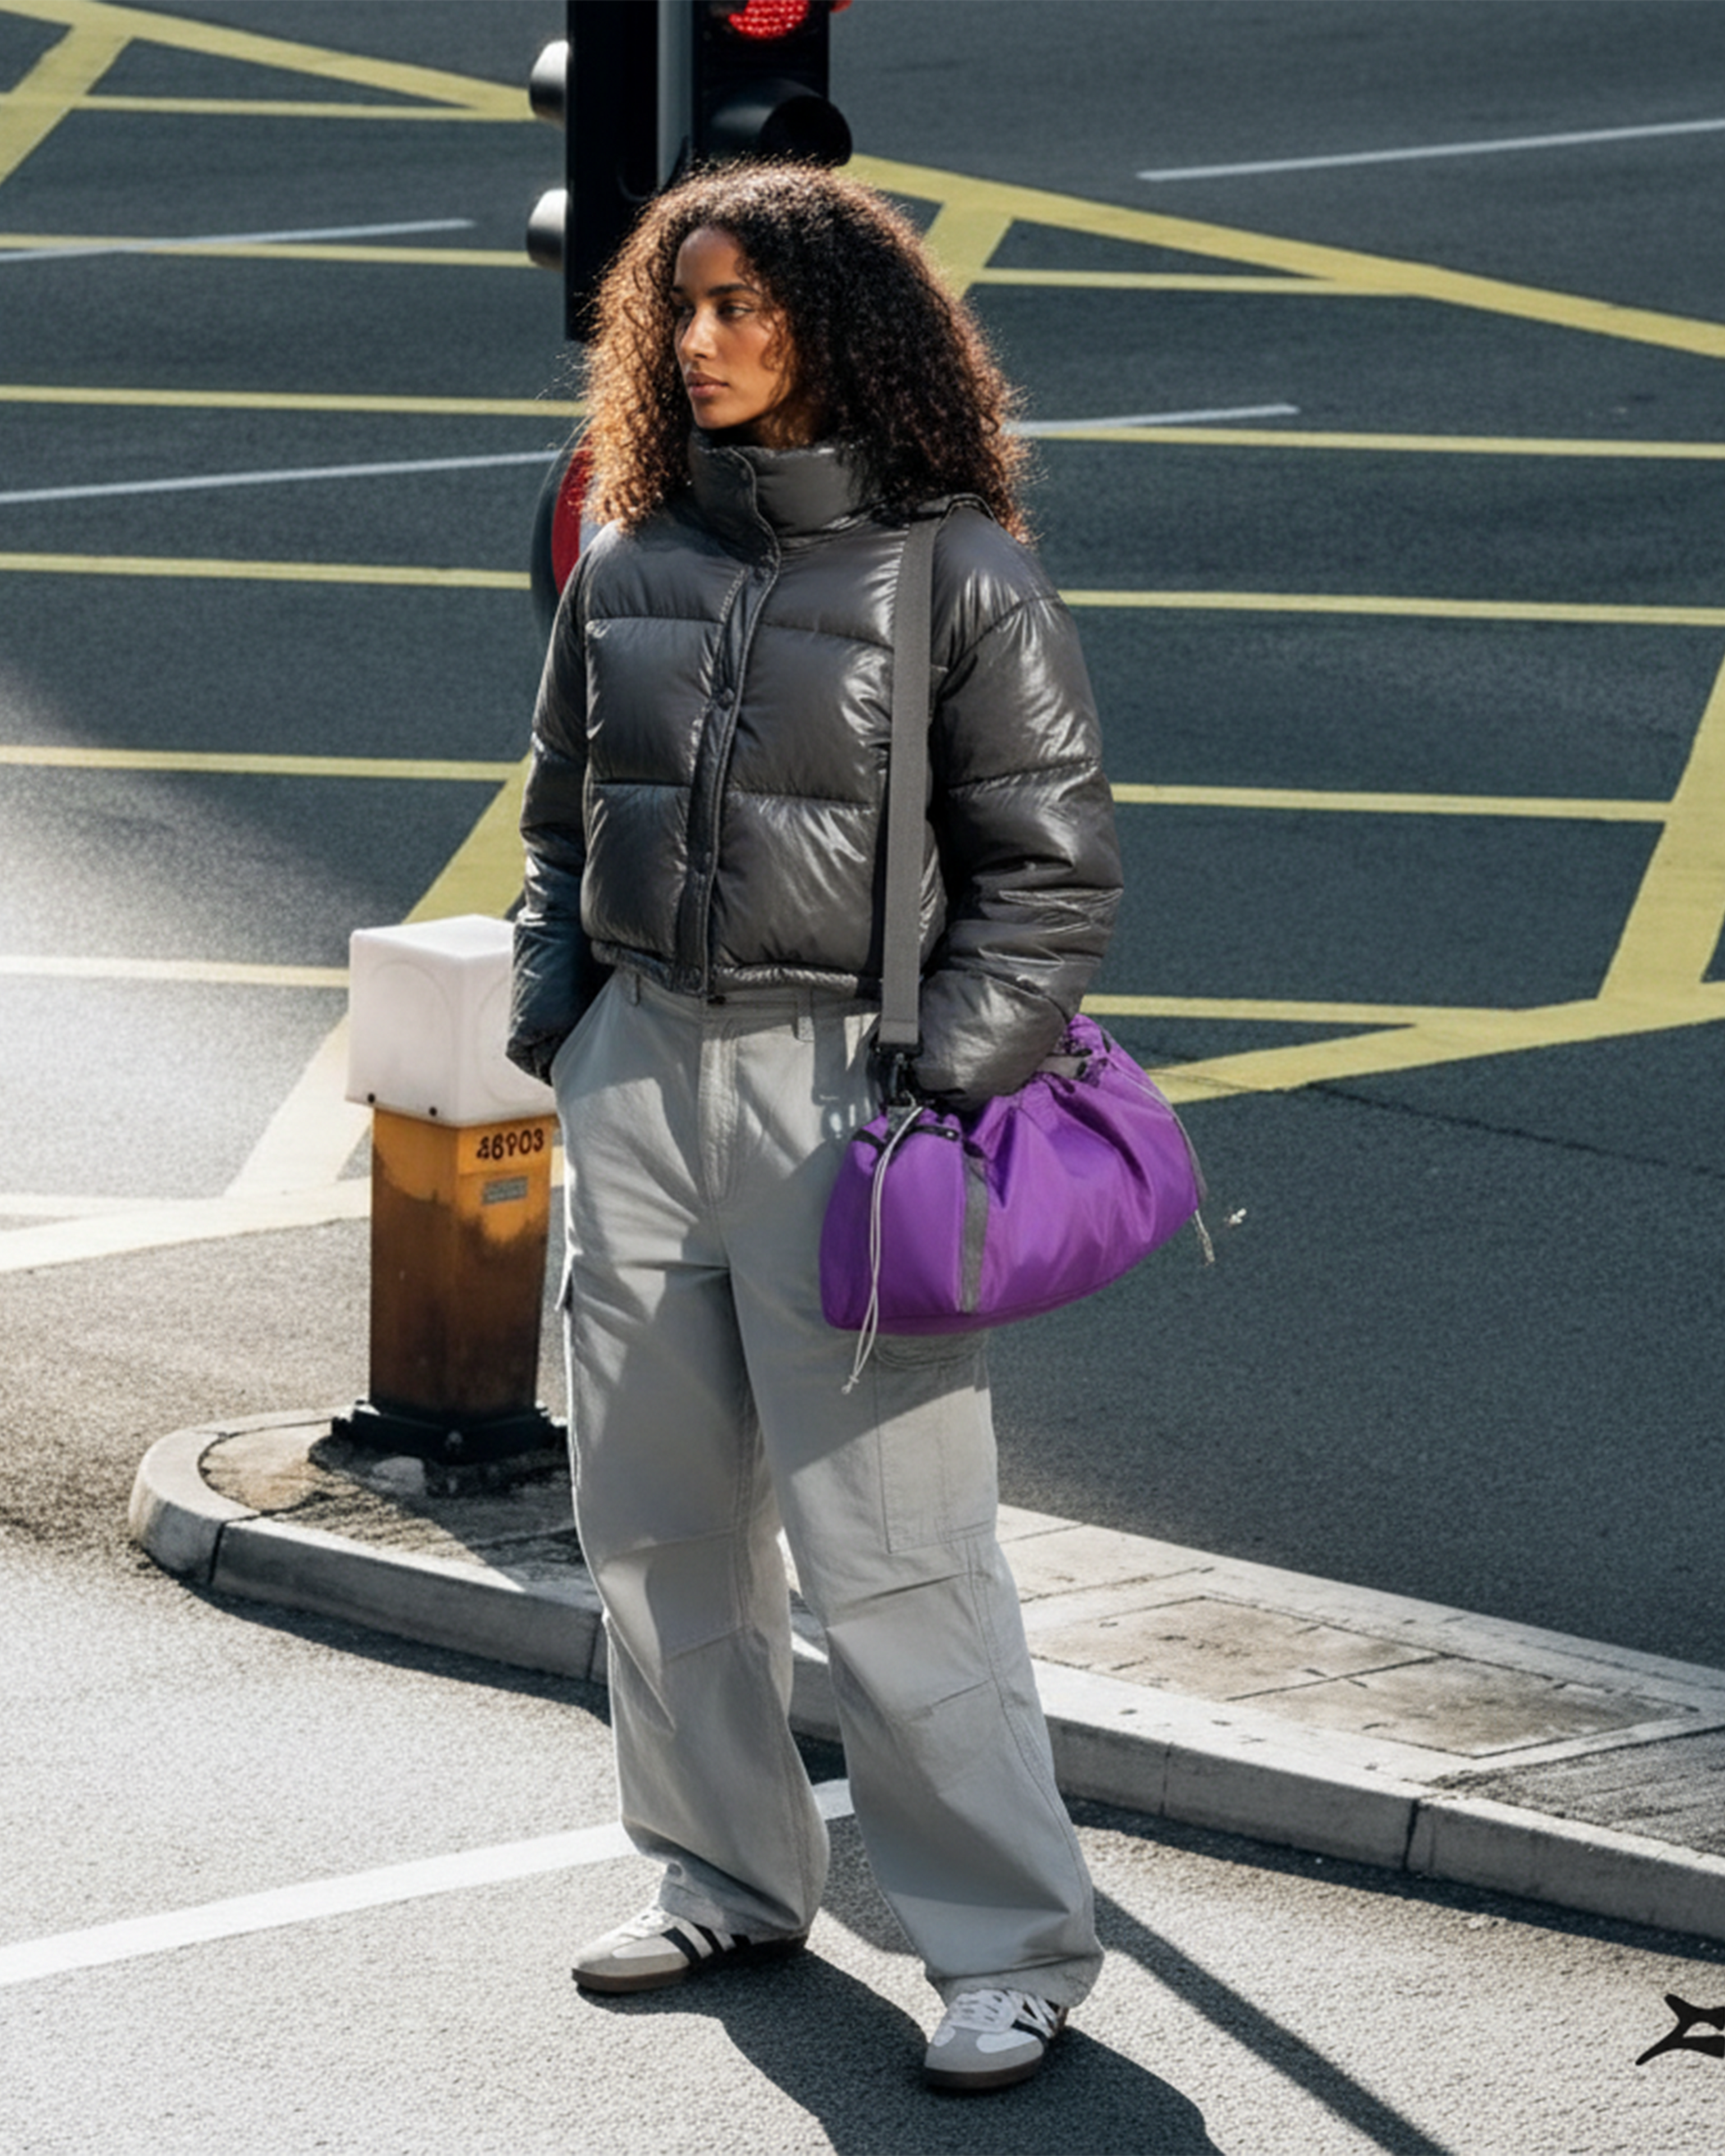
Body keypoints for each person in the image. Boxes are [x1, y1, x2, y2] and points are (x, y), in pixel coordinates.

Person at [507, 161, 1120, 2095]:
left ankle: (1008, 1945)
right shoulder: (631, 557)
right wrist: (564, 1024)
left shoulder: (962, 574)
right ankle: (717, 1872)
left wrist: (938, 1081)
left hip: (847, 1090)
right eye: (681, 309)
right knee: (656, 1520)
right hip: (644, 1073)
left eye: (747, 308)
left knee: (901, 1550)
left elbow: (1049, 872)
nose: (702, 343)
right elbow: (550, 815)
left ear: (842, 333)